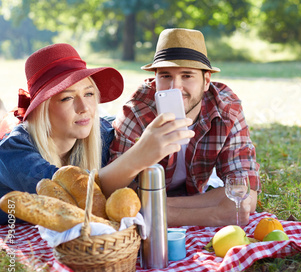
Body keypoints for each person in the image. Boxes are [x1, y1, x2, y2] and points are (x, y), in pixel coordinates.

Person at [0, 43, 193, 225]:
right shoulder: (13, 151)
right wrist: (139, 156)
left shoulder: (102, 133)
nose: (84, 108)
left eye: (89, 94)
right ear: (42, 109)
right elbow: (68, 197)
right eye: (67, 98)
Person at [111, 28, 261, 227]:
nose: (175, 86)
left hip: (168, 196)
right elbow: (118, 198)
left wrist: (155, 208)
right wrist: (212, 214)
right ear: (154, 79)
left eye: (187, 76)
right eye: (165, 76)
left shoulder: (226, 109)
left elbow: (245, 196)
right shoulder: (136, 112)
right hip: (154, 188)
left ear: (206, 81)